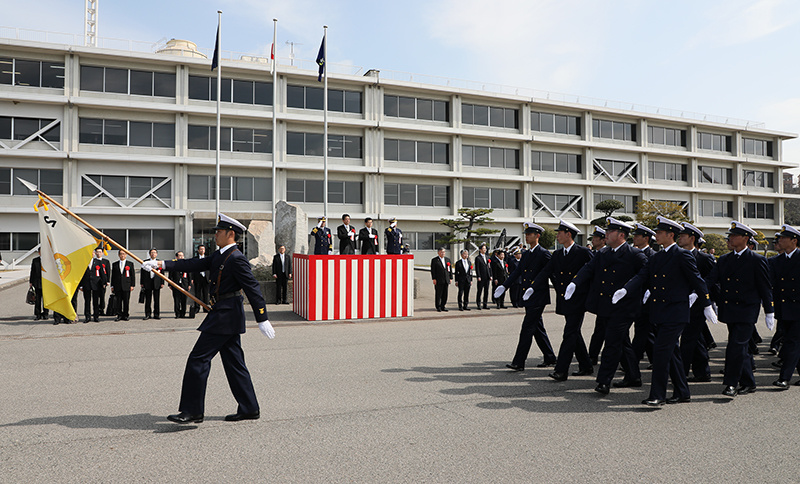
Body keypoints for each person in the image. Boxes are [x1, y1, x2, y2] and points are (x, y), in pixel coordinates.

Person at [143, 214, 274, 424]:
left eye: (219, 232)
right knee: (235, 364)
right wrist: (161, 264)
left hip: (225, 315)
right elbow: (194, 264)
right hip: (223, 314)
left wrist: (262, 317)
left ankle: (192, 411)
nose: (215, 235)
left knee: (198, 360)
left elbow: (253, 288)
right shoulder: (221, 255)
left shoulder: (236, 257)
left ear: (231, 234)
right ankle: (249, 407)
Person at [615, 216, 715, 406]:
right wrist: (626, 289)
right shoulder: (658, 256)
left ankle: (657, 395)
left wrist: (707, 304)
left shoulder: (682, 255)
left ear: (671, 235)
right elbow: (642, 275)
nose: (656, 235)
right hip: (660, 311)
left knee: (661, 352)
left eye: (660, 232)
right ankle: (682, 392)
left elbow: (697, 281)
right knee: (672, 353)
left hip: (676, 313)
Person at [566, 218, 647, 395]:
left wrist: (631, 290)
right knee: (622, 342)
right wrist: (575, 283)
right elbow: (588, 268)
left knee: (611, 343)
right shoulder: (603, 254)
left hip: (624, 308)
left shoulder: (635, 255)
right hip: (606, 306)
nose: (606, 235)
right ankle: (633, 376)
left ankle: (604, 381)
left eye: (609, 232)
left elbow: (645, 275)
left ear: (621, 235)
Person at [705, 221, 774, 397]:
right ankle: (749, 382)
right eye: (730, 236)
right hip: (729, 309)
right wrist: (701, 295)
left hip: (747, 310)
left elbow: (765, 287)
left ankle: (730, 384)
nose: (730, 239)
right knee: (740, 348)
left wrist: (769, 311)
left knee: (735, 346)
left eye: (734, 236)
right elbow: (711, 280)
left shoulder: (757, 260)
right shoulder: (725, 259)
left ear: (745, 238)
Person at [529, 220, 594, 381]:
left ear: (568, 234)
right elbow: (546, 271)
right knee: (574, 333)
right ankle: (586, 365)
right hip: (565, 299)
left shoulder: (583, 252)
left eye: (559, 233)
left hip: (578, 300)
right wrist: (533, 286)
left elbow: (594, 271)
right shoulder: (557, 254)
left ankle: (561, 370)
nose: (557, 235)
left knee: (569, 333)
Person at [494, 221, 556, 370]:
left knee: (527, 328)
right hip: (528, 296)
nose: (527, 237)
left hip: (538, 296)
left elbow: (551, 273)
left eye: (529, 234)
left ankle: (519, 362)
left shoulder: (544, 253)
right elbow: (517, 272)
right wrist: (504, 286)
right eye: (526, 234)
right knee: (537, 328)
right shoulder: (526, 254)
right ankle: (550, 357)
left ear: (538, 236)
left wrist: (562, 291)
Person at [677, 222, 716, 383]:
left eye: (683, 236)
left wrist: (711, 303)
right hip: (680, 303)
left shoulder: (704, 258)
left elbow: (712, 280)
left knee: (687, 339)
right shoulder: (677, 255)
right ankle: (702, 372)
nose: (680, 238)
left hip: (698, 305)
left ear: (692, 238)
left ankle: (682, 373)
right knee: (696, 339)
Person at [769, 225, 800, 389]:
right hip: (783, 308)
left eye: (783, 238)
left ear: (794, 241)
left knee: (792, 342)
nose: (779, 241)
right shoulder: (775, 261)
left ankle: (784, 378)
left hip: (798, 308)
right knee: (791, 341)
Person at [630, 223, 657, 365]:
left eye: (637, 236)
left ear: (646, 238)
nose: (634, 238)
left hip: (648, 299)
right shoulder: (634, 253)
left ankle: (632, 360)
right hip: (637, 297)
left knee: (643, 330)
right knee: (647, 332)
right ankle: (654, 359)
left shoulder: (652, 255)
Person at [81, 247, 109, 323]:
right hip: (86, 284)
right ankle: (87, 316)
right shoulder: (84, 262)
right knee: (87, 301)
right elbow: (81, 275)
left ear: (94, 254)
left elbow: (102, 273)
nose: (92, 254)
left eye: (93, 253)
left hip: (96, 284)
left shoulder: (98, 262)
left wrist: (104, 282)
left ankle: (96, 316)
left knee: (95, 301)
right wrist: (81, 285)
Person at [110, 249, 135, 321]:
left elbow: (132, 275)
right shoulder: (115, 264)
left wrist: (132, 285)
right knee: (118, 301)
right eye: (121, 254)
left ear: (126, 255)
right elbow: (113, 276)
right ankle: (119, 315)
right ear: (118, 255)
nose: (122, 255)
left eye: (124, 254)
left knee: (126, 301)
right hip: (117, 285)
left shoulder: (130, 264)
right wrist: (112, 286)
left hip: (126, 285)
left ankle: (126, 315)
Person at [141, 248, 164, 320]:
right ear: (149, 254)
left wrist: (162, 282)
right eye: (152, 253)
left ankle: (156, 314)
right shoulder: (145, 262)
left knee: (156, 300)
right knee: (148, 299)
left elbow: (162, 273)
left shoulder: (159, 262)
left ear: (156, 254)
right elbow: (142, 273)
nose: (153, 254)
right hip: (148, 282)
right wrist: (142, 283)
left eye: (154, 252)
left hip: (157, 282)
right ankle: (148, 314)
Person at [189, 245, 210, 318]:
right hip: (197, 278)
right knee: (197, 293)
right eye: (200, 249)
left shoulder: (207, 258)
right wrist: (192, 278)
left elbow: (210, 269)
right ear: (198, 250)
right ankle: (197, 308)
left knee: (206, 293)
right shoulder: (195, 259)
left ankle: (206, 307)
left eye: (203, 249)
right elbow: (192, 269)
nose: (202, 250)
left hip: (206, 278)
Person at [169, 251, 191, 318]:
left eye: (182, 255)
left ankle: (183, 314)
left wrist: (189, 284)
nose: (181, 257)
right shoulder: (173, 265)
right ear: (176, 257)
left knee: (184, 300)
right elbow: (170, 276)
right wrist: (170, 284)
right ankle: (177, 314)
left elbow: (189, 275)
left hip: (184, 284)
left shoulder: (186, 265)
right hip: (176, 284)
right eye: (180, 256)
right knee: (177, 300)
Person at [29, 249, 49, 321]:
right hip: (37, 282)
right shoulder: (35, 260)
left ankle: (46, 313)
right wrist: (31, 282)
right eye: (41, 252)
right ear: (39, 252)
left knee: (46, 299)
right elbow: (32, 271)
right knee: (37, 300)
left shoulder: (48, 260)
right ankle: (38, 314)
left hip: (46, 283)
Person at [430, 247, 451, 312]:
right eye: (441, 252)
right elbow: (433, 270)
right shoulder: (435, 260)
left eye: (444, 252)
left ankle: (443, 306)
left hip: (446, 279)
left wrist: (450, 278)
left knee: (445, 294)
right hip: (439, 279)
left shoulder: (447, 260)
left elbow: (450, 270)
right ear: (438, 252)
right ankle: (438, 306)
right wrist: (434, 278)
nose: (443, 253)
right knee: (439, 294)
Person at [474, 243, 491, 310]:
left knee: (486, 291)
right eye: (483, 249)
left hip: (487, 276)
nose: (485, 250)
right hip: (481, 277)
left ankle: (485, 304)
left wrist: (490, 275)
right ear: (480, 250)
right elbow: (477, 268)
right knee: (480, 291)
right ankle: (478, 304)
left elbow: (490, 267)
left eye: (485, 249)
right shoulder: (478, 258)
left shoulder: (487, 257)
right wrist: (478, 276)